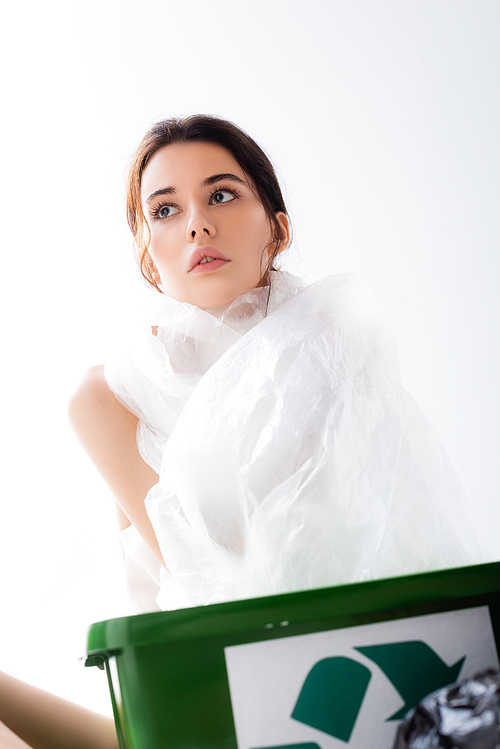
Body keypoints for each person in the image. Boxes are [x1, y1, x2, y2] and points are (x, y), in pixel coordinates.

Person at [0, 115, 487, 747]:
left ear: (277, 230)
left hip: (376, 682)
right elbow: (212, 585)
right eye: (165, 210)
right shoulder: (111, 396)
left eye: (221, 195)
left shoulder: (338, 348)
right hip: (211, 703)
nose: (197, 223)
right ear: (149, 256)